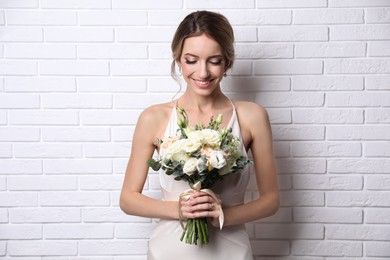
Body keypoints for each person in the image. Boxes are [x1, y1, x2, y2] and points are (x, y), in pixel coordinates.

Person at [120, 10, 279, 260]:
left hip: (231, 250)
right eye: (191, 60)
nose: (203, 73)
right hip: (168, 251)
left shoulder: (252, 116)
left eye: (214, 61)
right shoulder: (153, 118)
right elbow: (128, 199)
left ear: (227, 61)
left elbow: (271, 200)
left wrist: (224, 215)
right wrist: (179, 210)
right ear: (178, 59)